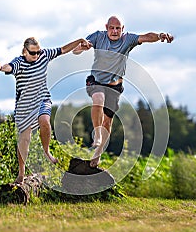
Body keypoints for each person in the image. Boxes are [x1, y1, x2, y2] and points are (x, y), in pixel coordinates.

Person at [0, 37, 91, 184]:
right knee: (25, 139)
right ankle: (21, 173)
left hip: (42, 99)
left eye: (38, 52)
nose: (36, 56)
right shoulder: (19, 62)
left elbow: (63, 49)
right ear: (25, 51)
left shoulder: (44, 55)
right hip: (25, 106)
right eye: (32, 53)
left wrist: (80, 40)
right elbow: (9, 67)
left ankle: (47, 151)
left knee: (45, 121)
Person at [73, 16, 174, 167]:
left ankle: (98, 154)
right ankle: (97, 136)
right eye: (112, 28)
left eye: (118, 28)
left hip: (115, 86)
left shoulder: (127, 40)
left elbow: (146, 37)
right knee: (98, 99)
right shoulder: (97, 36)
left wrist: (159, 36)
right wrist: (82, 47)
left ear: (122, 29)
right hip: (96, 81)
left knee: (107, 121)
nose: (114, 31)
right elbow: (76, 51)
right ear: (106, 27)